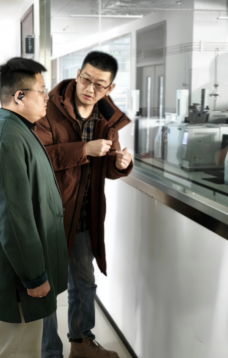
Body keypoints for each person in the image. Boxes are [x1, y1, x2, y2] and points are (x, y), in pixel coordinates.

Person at [36, 51, 133, 358]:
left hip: (85, 215)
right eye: (86, 79)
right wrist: (83, 149)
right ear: (77, 75)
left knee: (85, 284)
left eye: (99, 84)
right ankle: (49, 352)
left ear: (110, 88)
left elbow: (107, 166)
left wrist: (120, 164)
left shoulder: (106, 118)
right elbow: (38, 159)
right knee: (47, 289)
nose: (90, 88)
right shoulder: (48, 109)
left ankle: (81, 343)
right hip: (50, 215)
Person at [0, 57, 68, 358]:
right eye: (42, 91)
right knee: (16, 351)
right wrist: (34, 276)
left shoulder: (21, 132)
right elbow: (12, 218)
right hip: (18, 279)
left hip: (26, 271)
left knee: (24, 348)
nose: (48, 97)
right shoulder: (6, 141)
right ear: (20, 96)